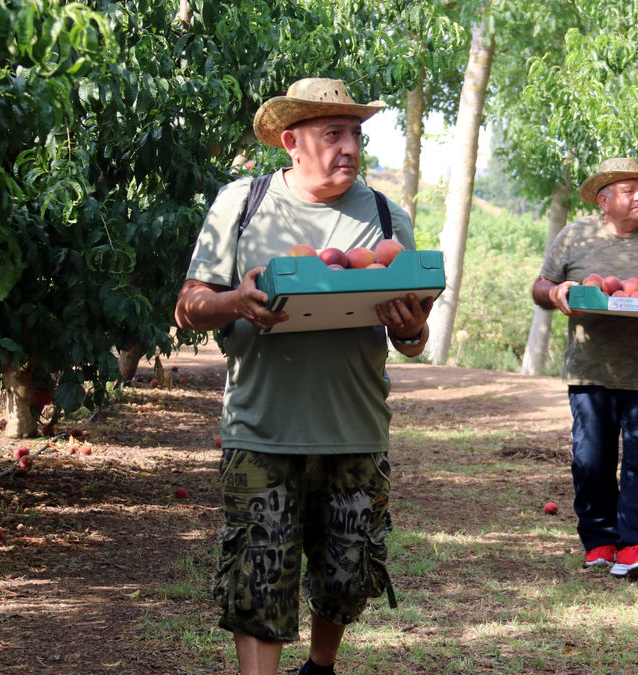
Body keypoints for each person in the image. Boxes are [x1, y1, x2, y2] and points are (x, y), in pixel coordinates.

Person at [174, 78, 432, 675]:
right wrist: (237, 301)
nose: (349, 147)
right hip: (262, 428)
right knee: (257, 577)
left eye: (356, 135)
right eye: (332, 133)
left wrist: (411, 326)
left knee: (347, 576)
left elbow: (411, 340)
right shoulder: (243, 202)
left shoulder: (387, 217)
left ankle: (319, 668)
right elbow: (187, 304)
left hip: (355, 427)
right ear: (292, 141)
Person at [531, 157, 638, 578]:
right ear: (604, 201)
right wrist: (557, 294)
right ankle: (601, 541)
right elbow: (540, 286)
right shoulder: (576, 237)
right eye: (630, 189)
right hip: (593, 370)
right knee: (592, 460)